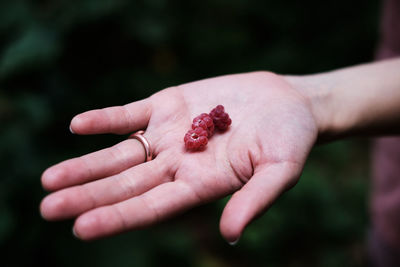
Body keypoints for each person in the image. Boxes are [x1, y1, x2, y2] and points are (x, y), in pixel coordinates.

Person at [40, 1, 399, 266]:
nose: (199, 132)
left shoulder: (211, 125)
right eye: (201, 130)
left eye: (201, 130)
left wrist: (311, 103)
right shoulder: (205, 127)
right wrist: (312, 100)